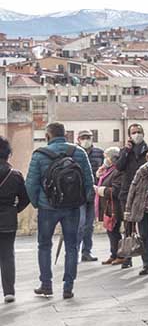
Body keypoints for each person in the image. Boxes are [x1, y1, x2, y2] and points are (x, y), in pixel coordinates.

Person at [25, 122, 94, 299]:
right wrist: (83, 201)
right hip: (72, 207)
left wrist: (38, 203)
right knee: (72, 247)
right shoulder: (78, 152)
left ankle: (46, 285)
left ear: (48, 136)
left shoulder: (39, 155)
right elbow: (88, 180)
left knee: (44, 245)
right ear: (65, 135)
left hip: (48, 208)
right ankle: (68, 287)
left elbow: (31, 184)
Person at [0, 136, 30, 303]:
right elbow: (25, 198)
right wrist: (14, 210)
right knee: (7, 256)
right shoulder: (15, 175)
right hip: (8, 221)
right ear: (8, 154)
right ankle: (8, 292)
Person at [116, 123, 148, 270]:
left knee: (143, 228)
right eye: (133, 132)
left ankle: (146, 262)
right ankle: (127, 256)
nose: (136, 134)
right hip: (126, 193)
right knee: (128, 225)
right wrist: (126, 151)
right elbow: (119, 167)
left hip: (143, 193)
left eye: (139, 132)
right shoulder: (125, 151)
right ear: (129, 136)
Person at [95, 146, 127, 267]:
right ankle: (114, 254)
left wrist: (101, 190)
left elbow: (116, 190)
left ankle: (120, 255)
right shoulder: (108, 170)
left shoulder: (117, 171)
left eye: (107, 157)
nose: (105, 159)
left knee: (114, 231)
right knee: (110, 231)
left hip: (115, 206)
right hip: (108, 206)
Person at [76, 131, 103, 263]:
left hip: (93, 194)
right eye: (83, 138)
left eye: (88, 137)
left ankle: (86, 252)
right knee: (79, 224)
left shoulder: (99, 153)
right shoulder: (74, 152)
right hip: (78, 194)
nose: (86, 140)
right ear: (78, 139)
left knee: (89, 225)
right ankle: (74, 252)